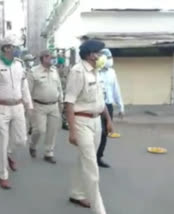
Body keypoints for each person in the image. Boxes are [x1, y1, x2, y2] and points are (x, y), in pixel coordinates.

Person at [65, 40, 113, 214]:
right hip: (81, 122)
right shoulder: (78, 72)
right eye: (99, 53)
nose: (102, 56)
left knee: (83, 160)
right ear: (90, 55)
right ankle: (99, 209)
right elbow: (69, 103)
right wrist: (72, 131)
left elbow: (100, 100)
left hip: (96, 121)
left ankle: (76, 194)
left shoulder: (96, 72)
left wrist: (108, 119)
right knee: (92, 167)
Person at [0, 36, 33, 189]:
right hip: (1, 109)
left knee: (21, 140)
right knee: (2, 143)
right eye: (14, 47)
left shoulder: (20, 64)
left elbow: (24, 87)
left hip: (18, 107)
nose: (17, 49)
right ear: (6, 48)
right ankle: (3, 175)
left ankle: (9, 154)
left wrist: (29, 105)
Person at [27, 50, 63, 164]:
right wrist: (29, 107)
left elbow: (59, 88)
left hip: (54, 105)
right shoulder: (33, 72)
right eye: (48, 57)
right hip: (39, 105)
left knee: (52, 130)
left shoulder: (54, 71)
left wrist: (61, 101)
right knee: (39, 130)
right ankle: (32, 145)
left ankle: (49, 153)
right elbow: (28, 90)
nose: (51, 58)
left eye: (52, 56)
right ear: (42, 58)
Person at [97, 48, 124, 168]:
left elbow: (116, 89)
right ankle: (91, 157)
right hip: (97, 106)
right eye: (107, 57)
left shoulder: (112, 72)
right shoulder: (95, 71)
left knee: (105, 133)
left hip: (108, 105)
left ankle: (99, 157)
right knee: (98, 132)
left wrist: (121, 106)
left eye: (110, 57)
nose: (110, 60)